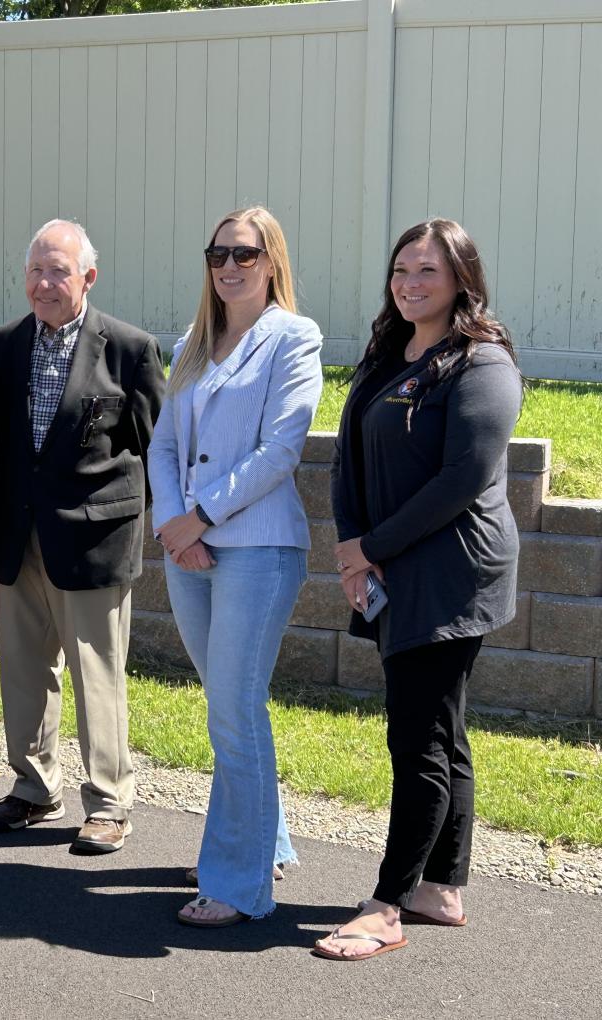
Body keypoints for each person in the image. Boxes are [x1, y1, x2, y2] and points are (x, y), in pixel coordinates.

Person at [316, 219, 521, 960]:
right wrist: (352, 547)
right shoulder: (389, 351)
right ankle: (440, 886)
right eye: (402, 268)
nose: (410, 283)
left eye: (427, 270)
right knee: (442, 729)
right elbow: (349, 457)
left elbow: (461, 480)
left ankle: (387, 904)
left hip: (452, 573)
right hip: (386, 564)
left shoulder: (482, 363)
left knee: (419, 738)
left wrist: (370, 548)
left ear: (462, 278)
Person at [147, 207, 322, 925]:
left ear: (271, 260)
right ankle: (265, 842)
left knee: (233, 710)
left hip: (257, 546)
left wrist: (203, 514)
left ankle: (240, 885)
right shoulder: (192, 341)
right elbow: (162, 445)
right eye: (218, 251)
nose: (228, 265)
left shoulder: (294, 338)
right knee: (230, 706)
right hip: (186, 548)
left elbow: (281, 450)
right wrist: (170, 524)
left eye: (245, 253)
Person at [0, 219, 166, 854]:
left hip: (93, 542)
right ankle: (34, 788)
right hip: (16, 533)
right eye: (35, 270)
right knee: (24, 669)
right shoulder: (0, 345)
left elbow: (153, 447)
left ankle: (111, 802)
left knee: (96, 674)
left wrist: (165, 527)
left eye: (58, 270)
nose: (44, 282)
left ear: (88, 276)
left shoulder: (129, 349)